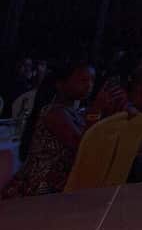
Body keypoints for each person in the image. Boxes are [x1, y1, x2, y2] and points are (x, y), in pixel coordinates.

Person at [3, 61, 110, 198]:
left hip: (58, 184)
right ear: (60, 84)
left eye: (92, 80)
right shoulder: (53, 113)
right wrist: (96, 111)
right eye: (83, 80)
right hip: (40, 187)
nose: (89, 85)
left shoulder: (74, 112)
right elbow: (83, 147)